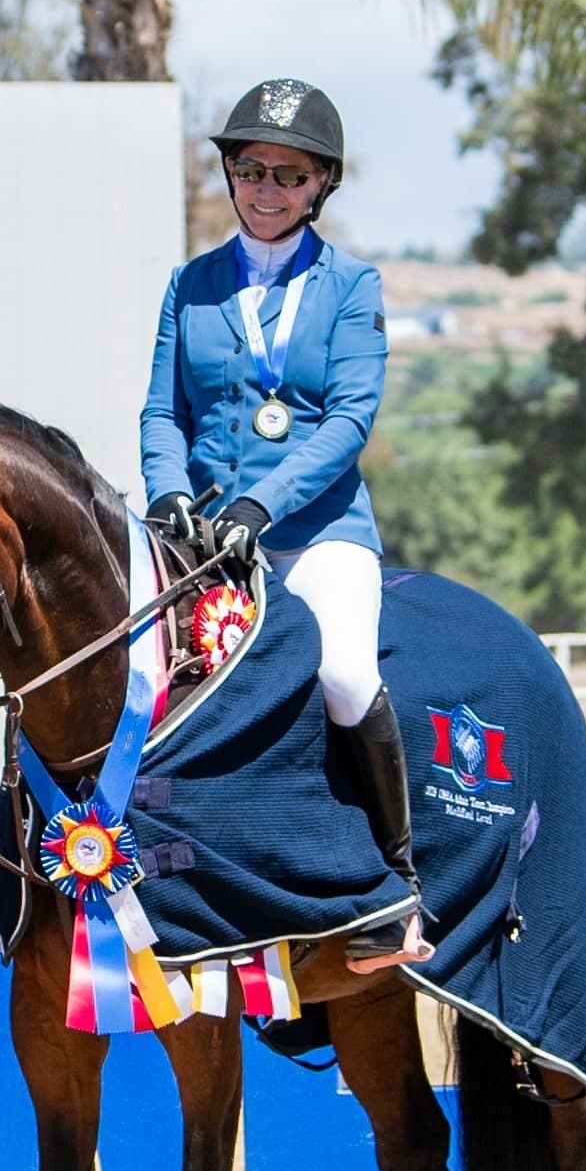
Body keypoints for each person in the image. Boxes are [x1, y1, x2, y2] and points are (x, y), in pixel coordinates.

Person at [137, 77, 421, 952]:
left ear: (320, 185)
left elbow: (349, 419)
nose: (267, 190)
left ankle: (394, 882)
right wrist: (168, 492)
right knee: (131, 681)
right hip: (200, 541)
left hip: (315, 534)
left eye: (290, 176)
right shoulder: (191, 285)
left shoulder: (352, 285)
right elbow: (163, 412)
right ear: (230, 173)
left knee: (343, 675)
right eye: (251, 169)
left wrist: (264, 502)